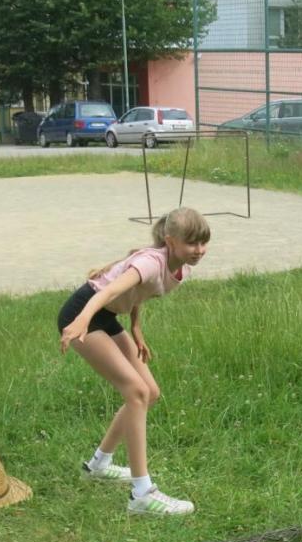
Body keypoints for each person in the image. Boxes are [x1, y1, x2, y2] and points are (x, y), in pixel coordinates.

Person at [57, 207, 211, 515]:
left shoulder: (179, 268)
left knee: (149, 392)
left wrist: (137, 328)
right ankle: (142, 493)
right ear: (170, 241)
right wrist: (81, 321)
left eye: (204, 242)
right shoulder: (149, 262)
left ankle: (98, 464)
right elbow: (112, 289)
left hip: (108, 317)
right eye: (192, 243)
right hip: (84, 313)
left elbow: (139, 293)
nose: (199, 250)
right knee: (136, 393)